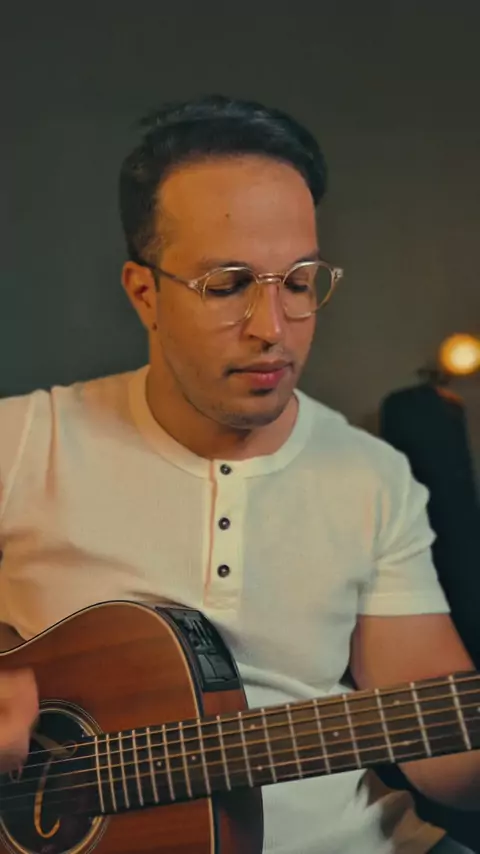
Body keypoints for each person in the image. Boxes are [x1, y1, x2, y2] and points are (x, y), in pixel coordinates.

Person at [0, 94, 477, 854]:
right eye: (227, 284)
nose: (272, 329)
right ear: (145, 294)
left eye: (299, 282)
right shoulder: (22, 442)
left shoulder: (374, 476)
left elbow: (444, 747)